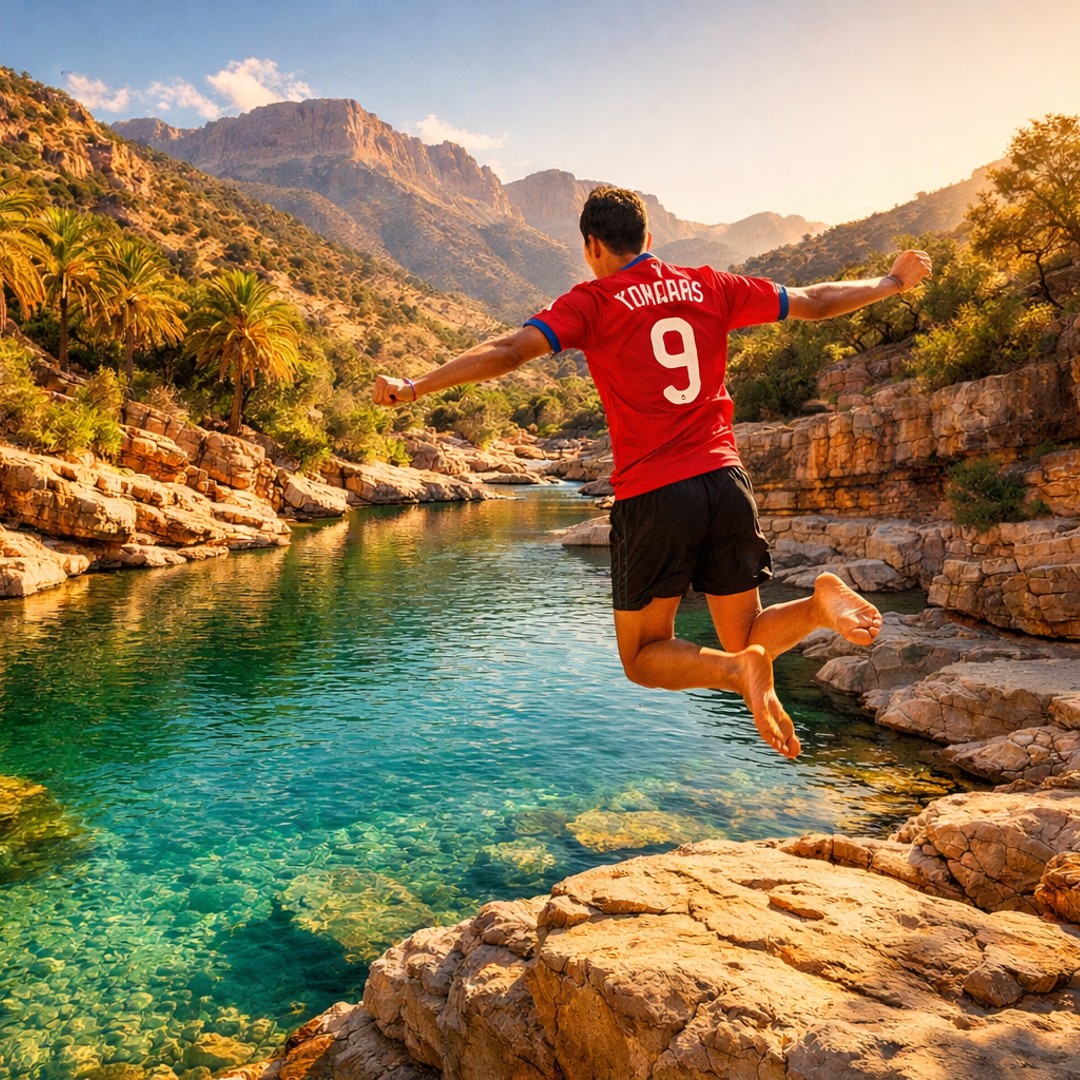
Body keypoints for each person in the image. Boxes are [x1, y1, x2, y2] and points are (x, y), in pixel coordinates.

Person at [374, 186, 932, 760]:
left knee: (643, 656)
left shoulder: (592, 302)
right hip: (726, 481)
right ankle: (816, 608)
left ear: (592, 245)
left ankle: (738, 674)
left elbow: (512, 350)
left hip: (656, 492)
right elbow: (815, 301)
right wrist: (892, 283)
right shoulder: (712, 285)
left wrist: (415, 386)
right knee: (745, 632)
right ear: (648, 238)